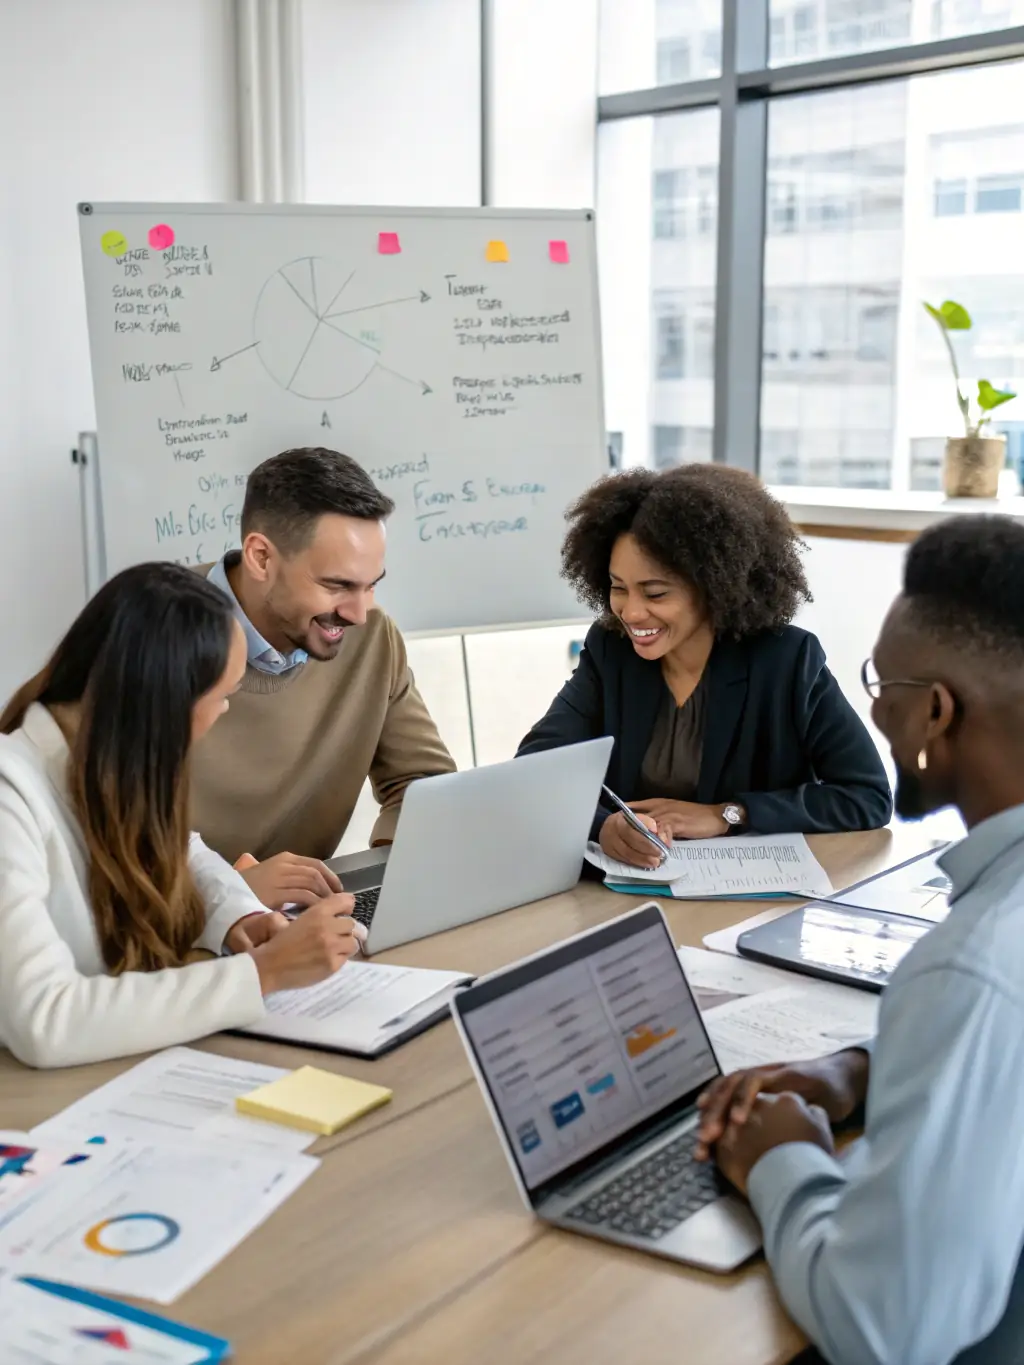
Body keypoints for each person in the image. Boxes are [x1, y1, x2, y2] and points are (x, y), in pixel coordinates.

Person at [696, 514, 1024, 1365]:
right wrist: (865, 1069)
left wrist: (781, 1156)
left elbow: (884, 1330)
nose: (876, 707)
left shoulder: (973, 964)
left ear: (937, 710)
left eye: (882, 684)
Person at [0, 563, 365, 1069]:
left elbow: (183, 849)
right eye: (221, 697)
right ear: (162, 704)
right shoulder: (10, 793)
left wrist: (240, 915)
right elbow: (46, 1019)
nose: (224, 714)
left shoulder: (96, 763)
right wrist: (262, 974)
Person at [518, 465, 891, 867]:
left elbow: (866, 797)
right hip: (632, 887)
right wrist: (603, 827)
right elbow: (536, 769)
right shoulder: (612, 650)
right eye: (618, 587)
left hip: (751, 907)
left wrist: (728, 814)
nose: (631, 611)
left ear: (715, 587)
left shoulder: (787, 660)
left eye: (655, 593)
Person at [190, 446, 456, 911]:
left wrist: (394, 880)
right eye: (337, 586)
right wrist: (228, 893)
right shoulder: (148, 635)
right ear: (260, 557)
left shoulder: (372, 638)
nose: (359, 612)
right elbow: (92, 846)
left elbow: (423, 785)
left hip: (307, 921)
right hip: (177, 937)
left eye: (371, 583)